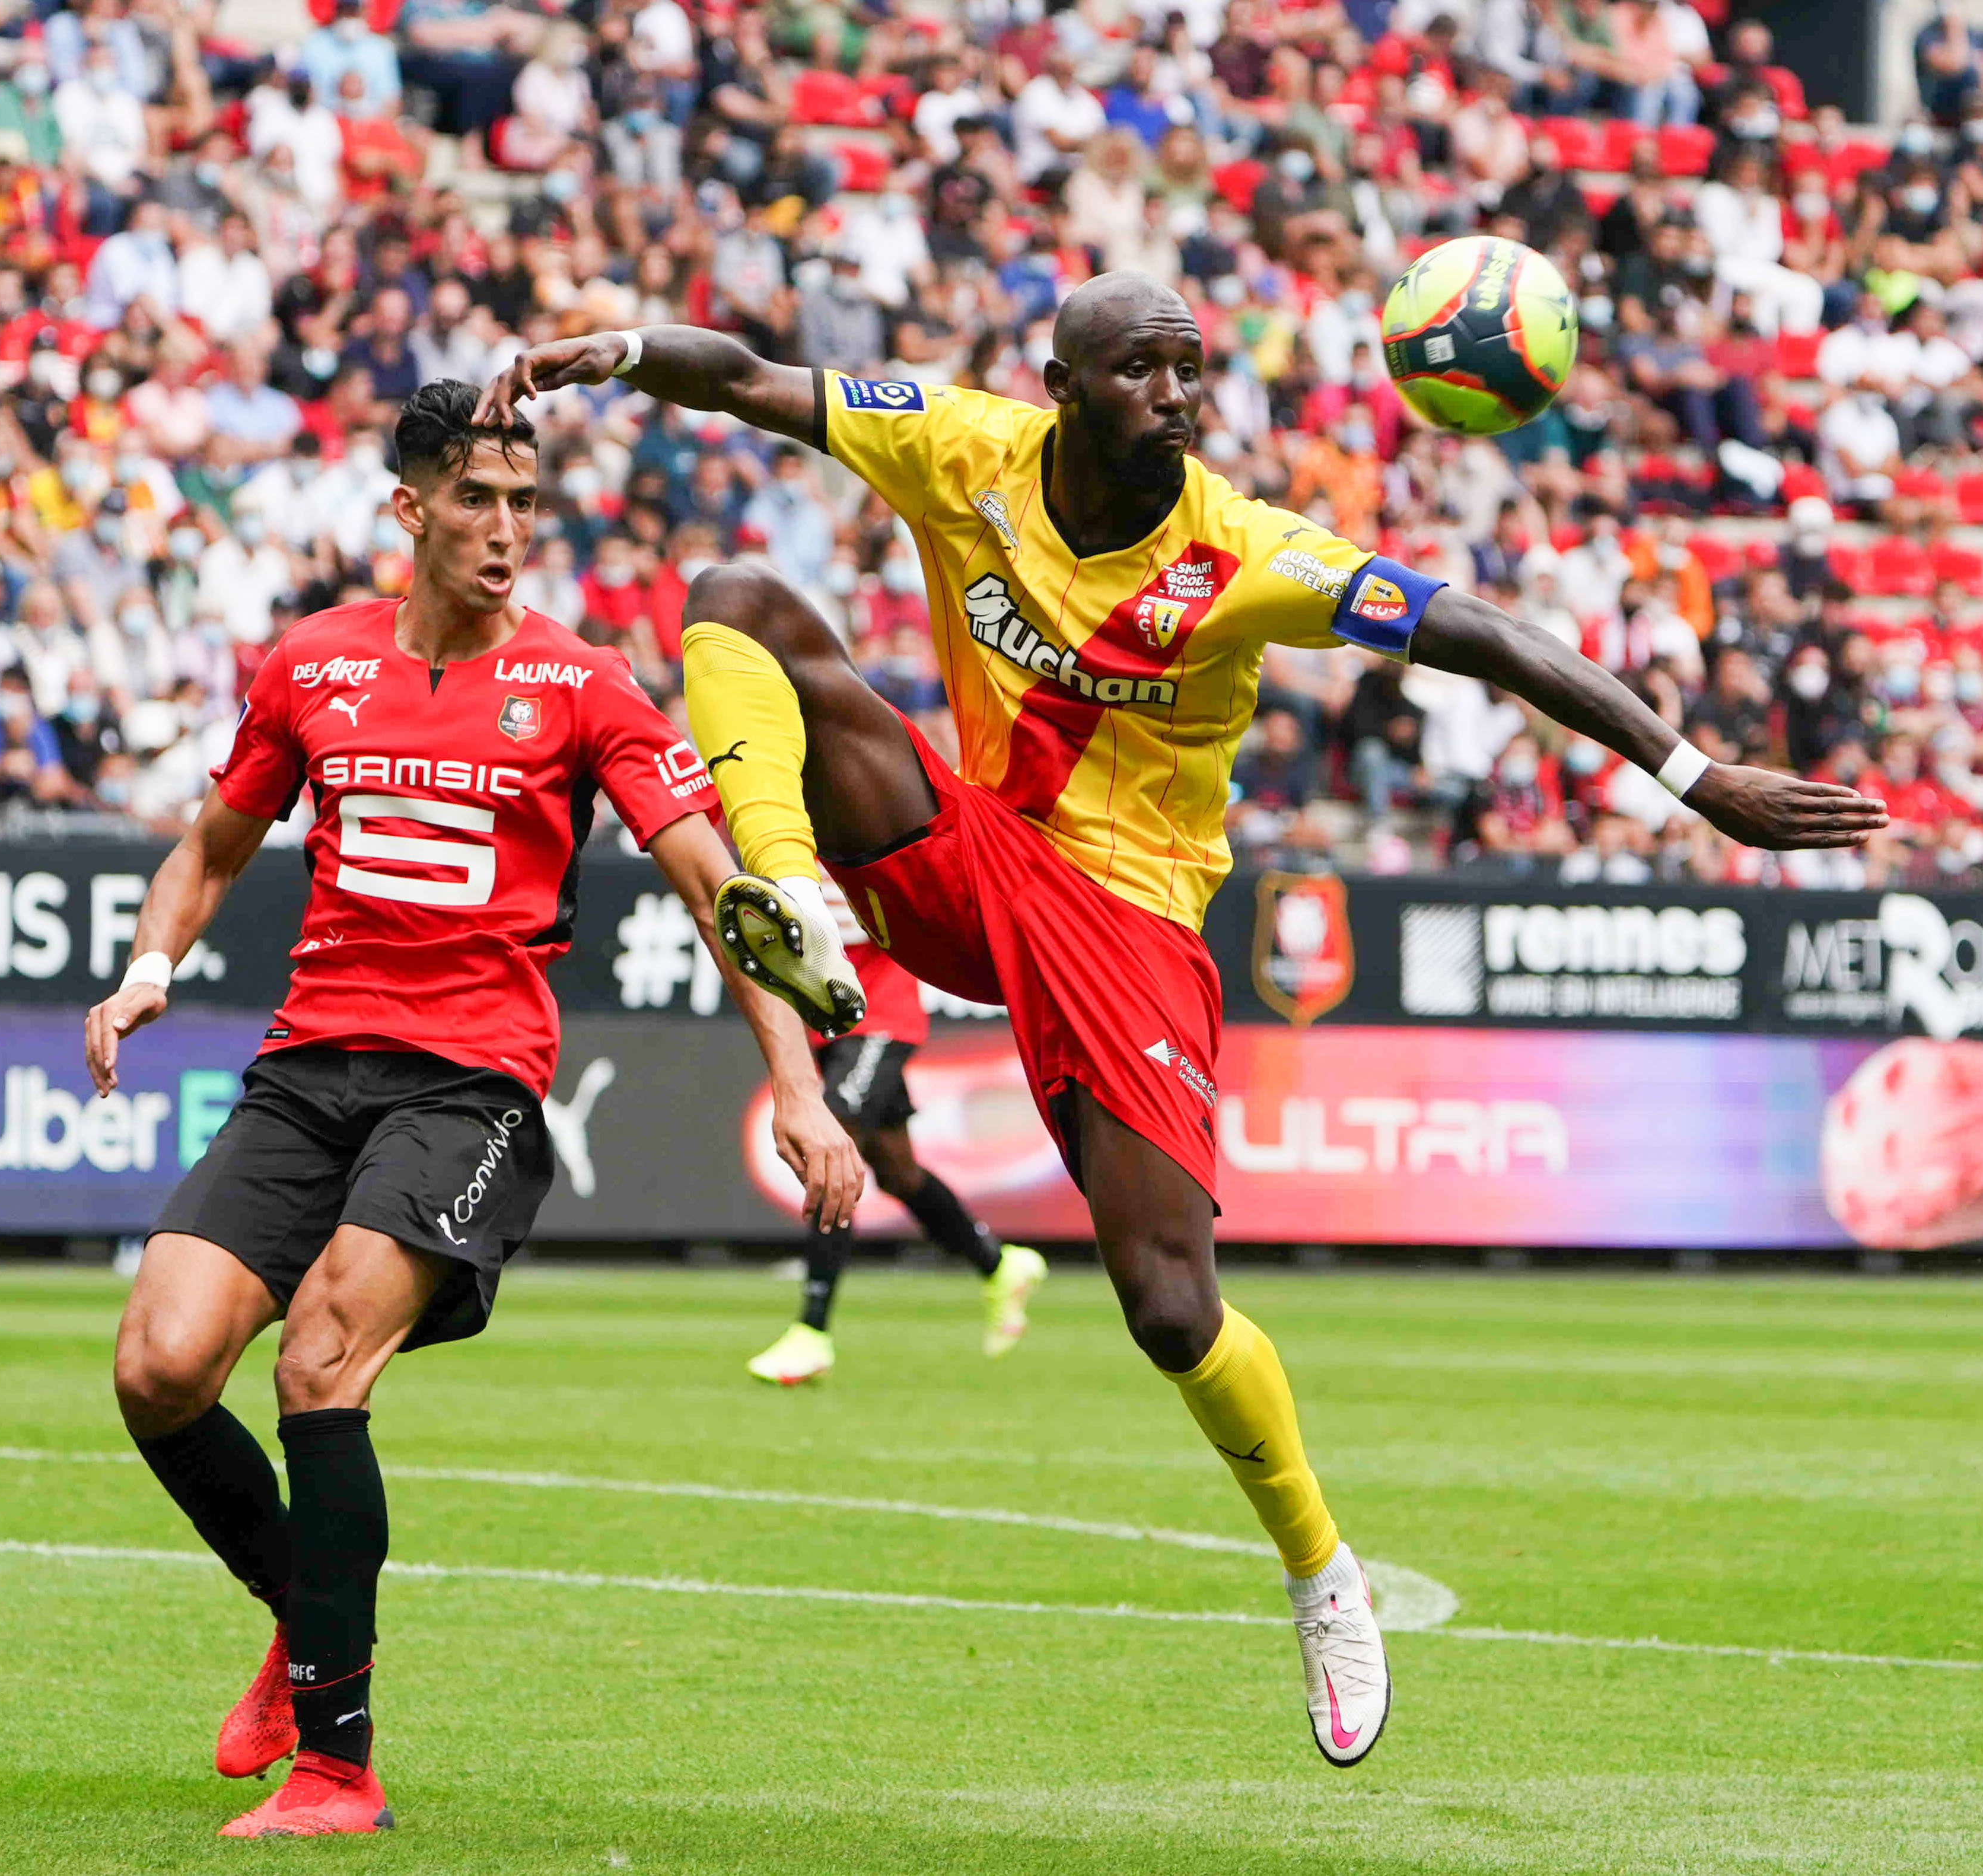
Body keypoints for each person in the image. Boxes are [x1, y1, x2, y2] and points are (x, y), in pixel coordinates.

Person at [478, 276, 1885, 1769]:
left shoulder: (1245, 552)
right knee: (737, 600)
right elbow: (752, 378)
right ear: (1061, 384)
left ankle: (1319, 1567)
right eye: (1140, 368)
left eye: (1188, 370)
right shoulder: (961, 446)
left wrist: (1693, 776)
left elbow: (1480, 633)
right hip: (961, 854)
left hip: (1125, 922)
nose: (1174, 392)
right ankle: (790, 892)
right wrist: (618, 353)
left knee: (1166, 1302)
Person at [85, 381, 863, 1840]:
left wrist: (800, 1086)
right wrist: (145, 972)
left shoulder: (584, 684)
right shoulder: (311, 665)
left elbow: (721, 893)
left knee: (320, 1356)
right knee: (157, 1365)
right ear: (410, 510)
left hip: (472, 1076)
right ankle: (299, 1607)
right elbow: (211, 844)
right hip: (307, 1065)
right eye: (477, 501)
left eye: (524, 502)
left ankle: (338, 1764)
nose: (507, 530)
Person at [737, 858, 1050, 1387]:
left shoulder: (842, 814)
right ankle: (998, 1264)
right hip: (831, 1028)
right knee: (897, 1170)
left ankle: (811, 1331)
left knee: (826, 1147)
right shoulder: (782, 815)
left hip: (876, 1015)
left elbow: (855, 915)